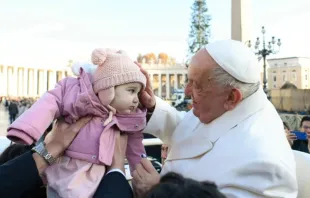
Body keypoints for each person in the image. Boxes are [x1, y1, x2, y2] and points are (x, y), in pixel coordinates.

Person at [133, 40, 297, 197]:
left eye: (197, 85)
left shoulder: (265, 165)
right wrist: (152, 106)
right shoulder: (222, 104)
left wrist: (156, 191)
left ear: (232, 97)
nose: (186, 92)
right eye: (188, 81)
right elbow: (188, 130)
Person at [7, 48, 147, 198]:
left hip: (98, 174)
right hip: (67, 168)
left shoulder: (126, 119)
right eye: (131, 91)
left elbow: (136, 147)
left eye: (138, 93)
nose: (136, 99)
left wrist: (141, 170)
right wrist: (26, 129)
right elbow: (50, 102)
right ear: (108, 88)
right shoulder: (78, 97)